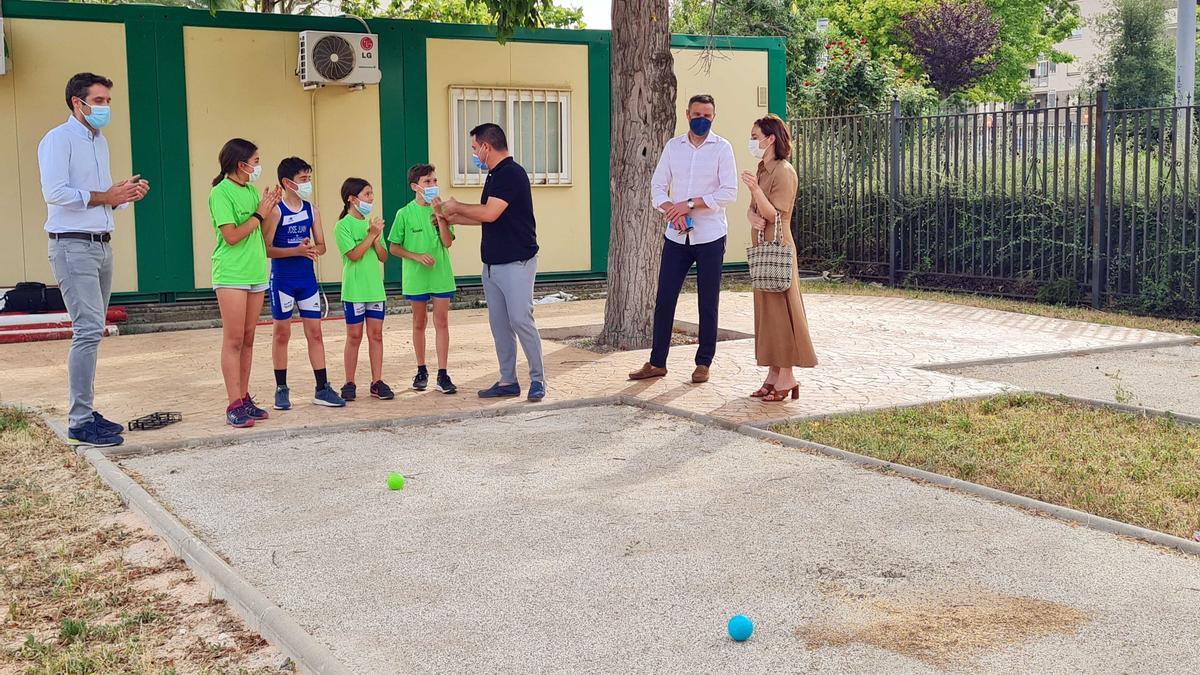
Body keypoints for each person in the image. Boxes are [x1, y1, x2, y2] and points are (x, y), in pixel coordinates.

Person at [39, 72, 148, 447]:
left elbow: (100, 198)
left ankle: (87, 410)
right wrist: (106, 195)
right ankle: (80, 420)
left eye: (107, 102)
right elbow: (55, 192)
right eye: (98, 101)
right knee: (86, 331)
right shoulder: (58, 139)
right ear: (77, 102)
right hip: (71, 246)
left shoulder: (98, 141)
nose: (104, 108)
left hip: (100, 243)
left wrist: (123, 196)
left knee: (93, 331)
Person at [629, 94, 738, 385]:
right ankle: (657, 362)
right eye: (697, 114)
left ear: (714, 117)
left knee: (708, 301)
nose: (702, 119)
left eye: (708, 115)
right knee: (665, 298)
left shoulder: (722, 149)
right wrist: (671, 210)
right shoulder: (673, 147)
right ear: (687, 114)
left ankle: (703, 363)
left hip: (710, 236)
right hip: (677, 235)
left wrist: (689, 204)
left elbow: (729, 193)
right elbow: (657, 187)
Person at [440, 123, 545, 402]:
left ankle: (538, 380)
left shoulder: (511, 173)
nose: (474, 154)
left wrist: (456, 206)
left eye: (475, 148)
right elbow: (485, 217)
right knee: (500, 325)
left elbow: (489, 213)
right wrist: (449, 218)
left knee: (521, 320)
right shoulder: (494, 175)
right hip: (492, 266)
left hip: (517, 262)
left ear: (487, 146)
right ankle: (508, 380)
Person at [741, 115, 818, 402]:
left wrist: (756, 192)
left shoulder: (784, 171)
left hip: (779, 248)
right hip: (763, 249)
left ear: (770, 138)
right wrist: (751, 214)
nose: (752, 142)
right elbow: (753, 211)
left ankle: (787, 375)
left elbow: (775, 213)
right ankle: (774, 374)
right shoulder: (763, 168)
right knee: (767, 314)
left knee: (782, 312)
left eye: (755, 136)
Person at [262, 157, 346, 410]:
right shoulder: (276, 210)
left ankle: (322, 388)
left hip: (307, 280)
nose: (308, 182)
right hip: (283, 281)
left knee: (315, 333)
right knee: (282, 333)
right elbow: (266, 249)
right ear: (287, 182)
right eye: (303, 179)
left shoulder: (312, 209)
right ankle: (281, 388)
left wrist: (312, 249)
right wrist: (295, 251)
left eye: (309, 177)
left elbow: (322, 245)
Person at [208, 138, 279, 428]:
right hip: (231, 273)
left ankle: (244, 397)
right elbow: (232, 235)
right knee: (234, 338)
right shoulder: (220, 192)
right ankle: (233, 402)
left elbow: (261, 235)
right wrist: (260, 212)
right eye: (256, 161)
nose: (258, 166)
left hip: (255, 272)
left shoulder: (251, 191)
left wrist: (272, 211)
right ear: (242, 164)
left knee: (249, 338)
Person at [387, 164, 458, 395]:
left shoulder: (443, 210)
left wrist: (440, 218)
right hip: (416, 278)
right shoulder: (404, 213)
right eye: (427, 182)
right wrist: (416, 256)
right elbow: (394, 247)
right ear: (415, 186)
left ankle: (443, 373)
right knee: (419, 323)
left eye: (435, 181)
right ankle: (421, 370)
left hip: (440, 275)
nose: (433, 185)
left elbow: (447, 242)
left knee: (442, 322)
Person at [334, 177, 393, 402]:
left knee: (376, 335)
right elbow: (354, 255)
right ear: (351, 198)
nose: (371, 198)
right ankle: (349, 382)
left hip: (375, 290)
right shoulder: (342, 226)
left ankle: (377, 381)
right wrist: (371, 235)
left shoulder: (373, 225)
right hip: (354, 290)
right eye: (367, 194)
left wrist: (376, 238)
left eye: (371, 194)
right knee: (354, 336)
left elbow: (384, 256)